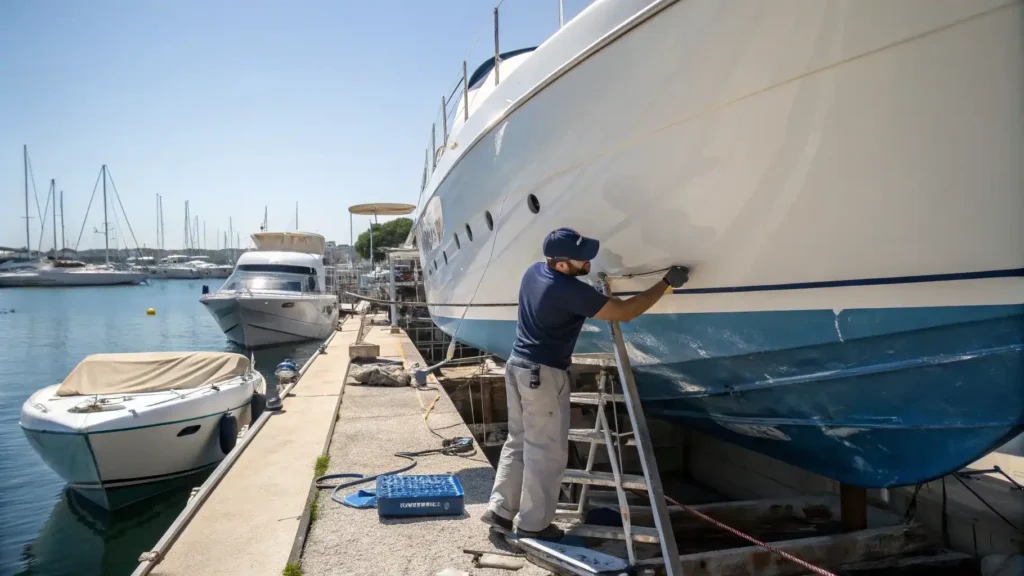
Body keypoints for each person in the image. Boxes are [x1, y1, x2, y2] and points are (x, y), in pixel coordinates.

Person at [481, 227, 689, 540]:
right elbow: (625, 313)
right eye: (582, 260)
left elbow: (582, 296)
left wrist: (592, 289)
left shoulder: (534, 272)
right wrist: (664, 284)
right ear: (562, 264)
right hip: (543, 376)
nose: (588, 263)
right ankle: (533, 526)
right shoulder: (568, 291)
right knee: (546, 453)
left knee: (520, 442)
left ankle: (500, 510)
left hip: (517, 367)